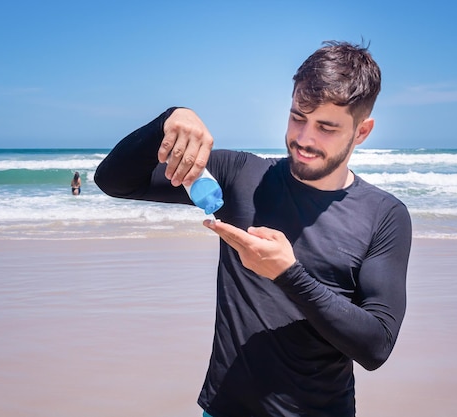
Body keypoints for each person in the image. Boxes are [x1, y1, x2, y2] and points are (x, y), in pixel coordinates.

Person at [94, 41, 412, 417]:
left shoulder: (384, 215)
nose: (305, 139)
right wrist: (168, 119)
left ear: (362, 132)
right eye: (297, 117)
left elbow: (376, 346)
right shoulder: (242, 176)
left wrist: (289, 275)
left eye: (326, 127)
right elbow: (115, 181)